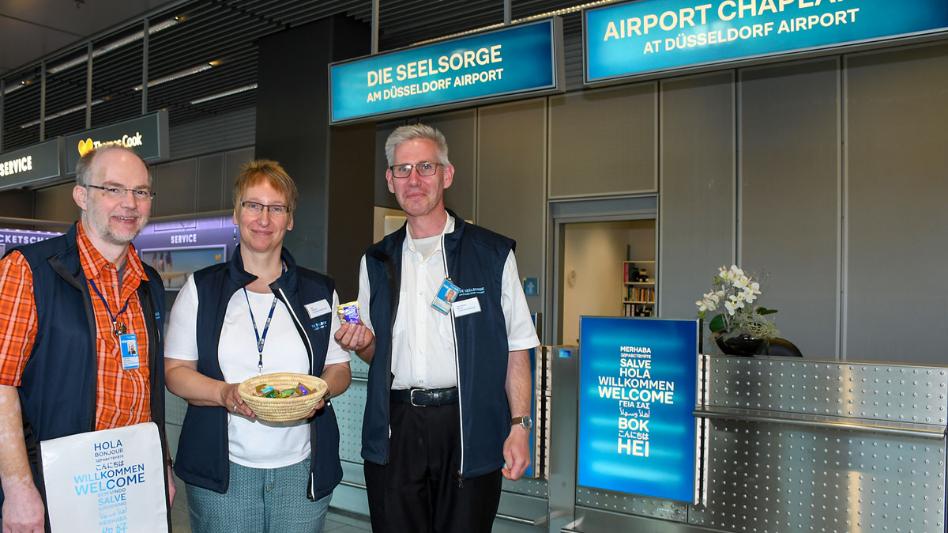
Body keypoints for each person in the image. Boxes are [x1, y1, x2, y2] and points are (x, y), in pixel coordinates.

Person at [335, 124, 540, 533]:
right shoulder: (376, 260)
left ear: (447, 174)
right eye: (403, 169)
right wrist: (361, 343)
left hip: (467, 424)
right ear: (390, 180)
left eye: (425, 167)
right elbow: (378, 353)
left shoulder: (492, 254)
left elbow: (517, 345)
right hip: (398, 428)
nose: (414, 179)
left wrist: (520, 427)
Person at [164, 159, 351, 533]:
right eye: (253, 205)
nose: (264, 218)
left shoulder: (318, 290)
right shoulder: (202, 289)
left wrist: (323, 390)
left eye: (276, 208)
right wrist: (224, 393)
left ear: (290, 219)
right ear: (237, 213)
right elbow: (175, 372)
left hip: (302, 472)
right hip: (222, 474)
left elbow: (339, 368)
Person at [0, 146, 173, 531]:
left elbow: (148, 391)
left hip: (130, 481)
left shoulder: (149, 283)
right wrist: (17, 488)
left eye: (141, 192)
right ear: (81, 196)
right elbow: (1, 385)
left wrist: (161, 464)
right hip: (54, 484)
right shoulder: (29, 272)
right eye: (113, 189)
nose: (130, 203)